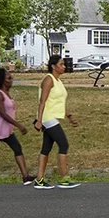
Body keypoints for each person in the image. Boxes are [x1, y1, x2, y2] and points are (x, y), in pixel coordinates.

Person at [33, 53, 78, 187]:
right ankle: (64, 178)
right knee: (63, 144)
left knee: (46, 148)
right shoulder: (49, 79)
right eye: (61, 64)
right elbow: (42, 101)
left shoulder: (58, 81)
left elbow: (61, 102)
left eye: (64, 64)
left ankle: (39, 179)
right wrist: (39, 120)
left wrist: (69, 116)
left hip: (52, 117)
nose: (64, 67)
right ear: (53, 66)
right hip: (47, 117)